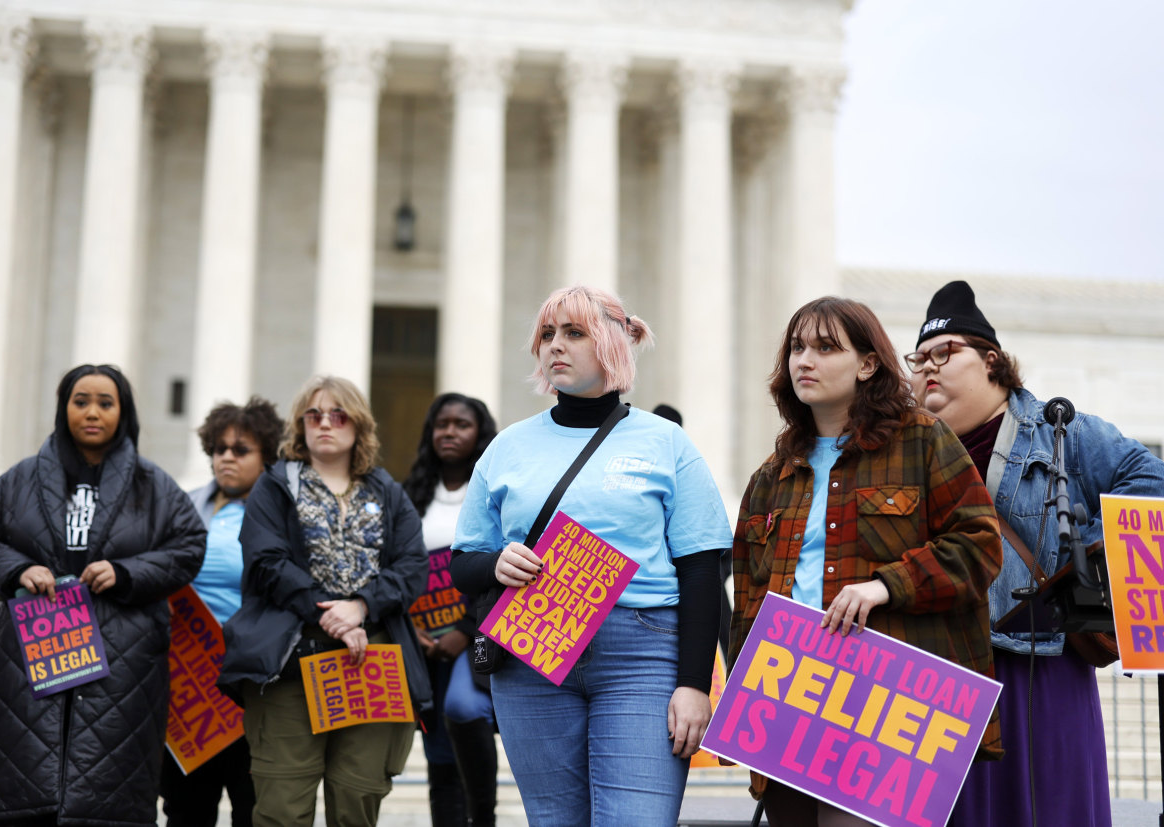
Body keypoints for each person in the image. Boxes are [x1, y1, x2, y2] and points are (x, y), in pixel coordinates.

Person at [449, 285, 732, 827]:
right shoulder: (506, 446)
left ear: (611, 345)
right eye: (548, 334)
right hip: (533, 654)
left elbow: (701, 571)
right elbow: (466, 560)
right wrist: (495, 564)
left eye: (574, 333)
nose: (556, 345)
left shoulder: (666, 442)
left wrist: (696, 685)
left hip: (642, 656)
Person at [731, 297, 1003, 827]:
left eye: (826, 347)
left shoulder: (923, 439)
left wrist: (885, 586)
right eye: (797, 347)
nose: (804, 360)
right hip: (789, 706)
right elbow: (747, 604)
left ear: (867, 363)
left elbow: (979, 544)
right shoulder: (774, 473)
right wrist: (746, 715)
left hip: (883, 704)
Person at [906, 280, 1164, 826]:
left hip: (1045, 668)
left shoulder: (1059, 431)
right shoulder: (909, 452)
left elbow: (1151, 481)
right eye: (919, 359)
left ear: (992, 362)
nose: (927, 367)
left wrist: (1087, 560)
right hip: (943, 674)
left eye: (945, 353)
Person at [0, 364, 207, 826]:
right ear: (64, 408)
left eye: (105, 403)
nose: (92, 412)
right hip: (31, 657)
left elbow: (188, 546)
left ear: (123, 411)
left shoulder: (154, 487)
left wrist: (126, 572)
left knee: (106, 799)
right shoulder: (22, 479)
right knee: (23, 792)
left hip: (122, 663)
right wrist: (19, 569)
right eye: (81, 401)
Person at [218, 375, 431, 827]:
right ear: (300, 425)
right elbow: (266, 561)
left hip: (371, 661)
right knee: (282, 807)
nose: (325, 424)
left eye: (338, 414)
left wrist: (362, 607)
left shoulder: (388, 492)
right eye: (314, 415)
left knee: (358, 799)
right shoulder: (274, 487)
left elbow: (412, 566)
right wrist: (330, 613)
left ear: (358, 424)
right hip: (291, 661)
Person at [159, 397, 285, 827]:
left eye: (241, 449)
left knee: (252, 809)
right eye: (219, 448)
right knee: (185, 809)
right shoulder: (183, 504)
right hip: (185, 684)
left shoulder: (280, 516)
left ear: (266, 455)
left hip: (248, 684)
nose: (226, 457)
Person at [402, 393, 500, 827]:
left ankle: (484, 817)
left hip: (477, 635)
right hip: (422, 640)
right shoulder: (409, 495)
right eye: (442, 423)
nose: (450, 432)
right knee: (438, 748)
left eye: (462, 424)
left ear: (479, 433)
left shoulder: (495, 489)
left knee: (464, 709)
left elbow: (502, 567)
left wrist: (463, 630)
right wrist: (411, 629)